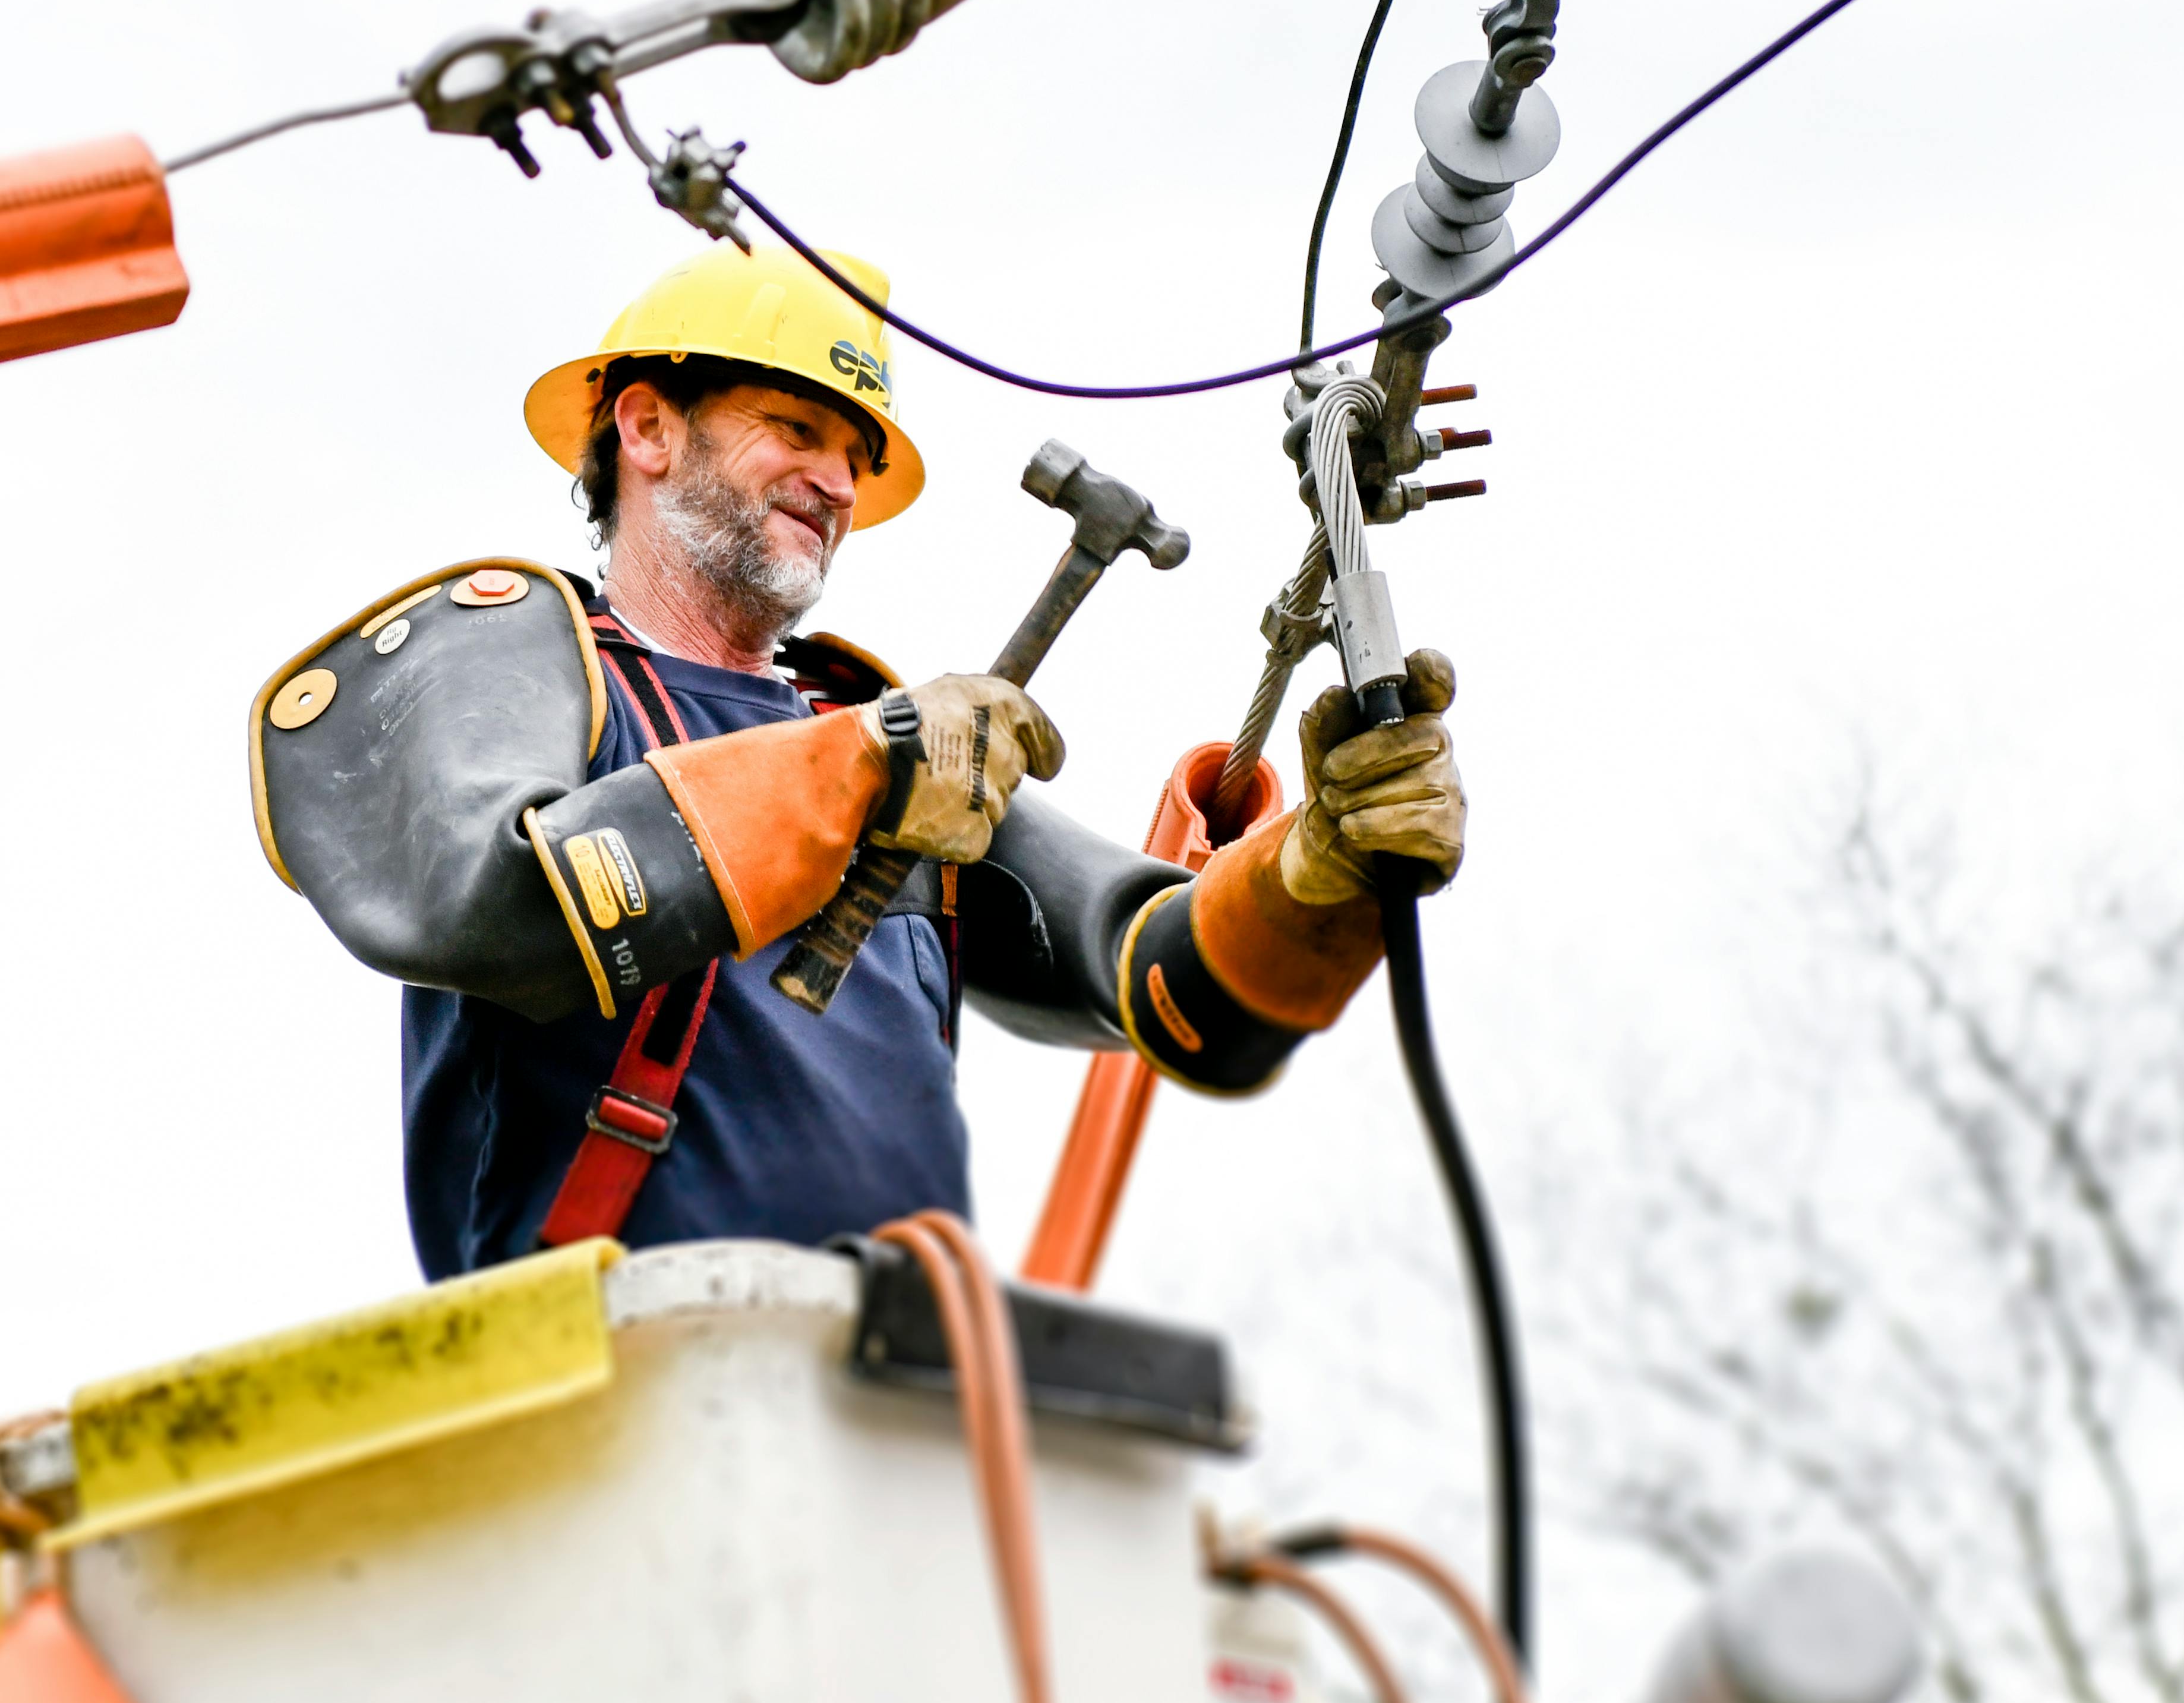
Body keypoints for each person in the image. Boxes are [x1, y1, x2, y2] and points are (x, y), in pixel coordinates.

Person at [248, 240, 1468, 1281]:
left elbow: (1176, 992)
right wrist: (860, 771)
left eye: (856, 456)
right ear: (646, 425)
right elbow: (491, 907)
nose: (838, 484)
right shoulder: (508, 657)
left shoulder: (880, 724)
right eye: (797, 430)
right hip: (595, 1413)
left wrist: (1316, 872)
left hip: (906, 1410)